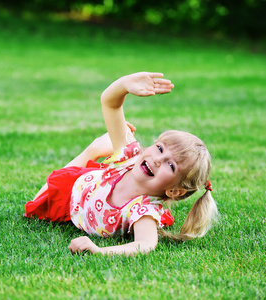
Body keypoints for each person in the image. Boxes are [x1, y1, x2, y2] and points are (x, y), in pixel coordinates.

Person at [24, 72, 218, 256]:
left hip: (81, 205)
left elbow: (146, 244)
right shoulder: (130, 157)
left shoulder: (143, 210)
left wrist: (99, 250)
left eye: (171, 166)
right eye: (160, 148)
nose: (158, 160)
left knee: (35, 207)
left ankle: (102, 147)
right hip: (76, 186)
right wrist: (124, 85)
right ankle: (94, 149)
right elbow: (109, 103)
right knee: (33, 204)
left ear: (175, 191)